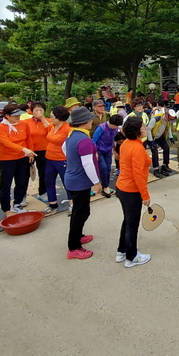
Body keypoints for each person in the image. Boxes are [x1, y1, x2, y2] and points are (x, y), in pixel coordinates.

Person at [63, 107, 101, 259]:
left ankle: (79, 236)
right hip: (80, 182)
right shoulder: (84, 140)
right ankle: (73, 248)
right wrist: (96, 182)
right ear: (84, 122)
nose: (92, 121)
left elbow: (64, 149)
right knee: (80, 213)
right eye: (90, 119)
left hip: (72, 178)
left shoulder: (72, 135)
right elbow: (87, 164)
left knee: (82, 211)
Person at [115, 116, 152, 267]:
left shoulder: (127, 144)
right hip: (131, 190)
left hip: (122, 188)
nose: (145, 128)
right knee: (132, 224)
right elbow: (138, 175)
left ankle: (121, 251)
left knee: (127, 221)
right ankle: (132, 257)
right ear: (137, 130)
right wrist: (145, 196)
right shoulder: (136, 148)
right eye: (143, 126)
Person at [0, 103, 36, 215]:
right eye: (15, 115)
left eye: (19, 115)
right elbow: (6, 143)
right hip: (7, 159)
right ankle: (6, 208)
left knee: (21, 181)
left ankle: (17, 203)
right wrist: (24, 149)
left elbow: (29, 139)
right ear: (7, 116)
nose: (18, 117)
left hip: (23, 157)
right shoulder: (0, 127)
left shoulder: (23, 124)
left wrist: (30, 152)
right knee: (6, 184)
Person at [43, 105, 71, 215]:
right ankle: (52, 204)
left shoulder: (67, 129)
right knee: (49, 181)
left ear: (59, 117)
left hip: (62, 160)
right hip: (49, 158)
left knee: (67, 183)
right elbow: (46, 125)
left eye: (52, 116)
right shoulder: (52, 126)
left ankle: (71, 204)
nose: (50, 118)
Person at [92, 113, 123, 197]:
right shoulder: (101, 128)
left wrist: (113, 149)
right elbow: (94, 140)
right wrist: (95, 152)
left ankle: (106, 185)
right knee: (103, 168)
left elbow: (112, 139)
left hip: (108, 150)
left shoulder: (115, 129)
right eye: (114, 125)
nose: (115, 127)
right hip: (99, 150)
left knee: (108, 168)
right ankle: (104, 186)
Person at [25, 101, 50, 203]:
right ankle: (22, 196)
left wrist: (43, 119)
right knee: (25, 174)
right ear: (32, 111)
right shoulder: (26, 122)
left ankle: (42, 192)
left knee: (44, 172)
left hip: (44, 150)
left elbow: (51, 132)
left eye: (41, 110)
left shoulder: (48, 121)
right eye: (36, 110)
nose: (39, 112)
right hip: (30, 151)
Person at [148, 100, 173, 178]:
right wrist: (151, 141)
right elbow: (148, 129)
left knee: (166, 147)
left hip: (160, 136)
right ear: (165, 116)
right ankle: (156, 169)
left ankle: (165, 165)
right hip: (152, 136)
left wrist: (171, 137)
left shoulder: (168, 120)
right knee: (155, 151)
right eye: (168, 119)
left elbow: (168, 128)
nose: (168, 121)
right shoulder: (155, 119)